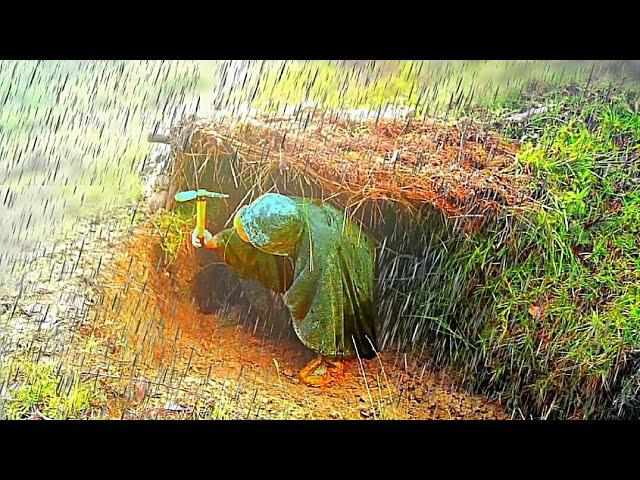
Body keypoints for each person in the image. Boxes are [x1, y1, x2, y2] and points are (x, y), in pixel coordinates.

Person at [192, 192, 378, 386]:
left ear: (278, 244)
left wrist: (293, 299)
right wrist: (215, 242)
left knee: (326, 301)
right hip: (318, 242)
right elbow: (250, 233)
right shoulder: (278, 213)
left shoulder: (322, 255)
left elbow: (323, 301)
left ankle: (333, 358)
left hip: (347, 257)